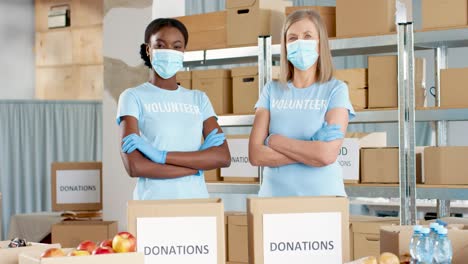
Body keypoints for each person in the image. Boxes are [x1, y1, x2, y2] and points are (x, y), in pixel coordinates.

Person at [116, 18, 231, 200]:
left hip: (197, 203)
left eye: (176, 46)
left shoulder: (199, 99)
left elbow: (223, 157)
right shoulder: (132, 97)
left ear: (183, 51)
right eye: (161, 45)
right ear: (148, 50)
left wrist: (160, 156)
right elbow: (135, 167)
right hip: (153, 203)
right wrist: (198, 164)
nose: (169, 51)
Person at [249, 10, 355, 197]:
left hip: (323, 198)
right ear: (285, 46)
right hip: (274, 200)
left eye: (307, 36)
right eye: (292, 38)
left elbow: (326, 155)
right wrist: (310, 148)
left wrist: (274, 141)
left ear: (320, 43)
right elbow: (256, 155)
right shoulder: (271, 90)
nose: (300, 42)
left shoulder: (336, 90)